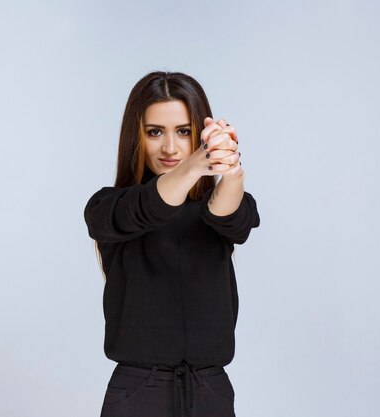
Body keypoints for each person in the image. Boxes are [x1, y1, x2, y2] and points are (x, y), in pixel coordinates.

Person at [83, 71, 261, 417]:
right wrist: (194, 166)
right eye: (154, 132)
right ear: (136, 137)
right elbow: (148, 207)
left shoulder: (216, 207)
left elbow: (232, 217)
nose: (170, 147)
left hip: (209, 389)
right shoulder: (109, 207)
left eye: (183, 132)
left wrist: (231, 168)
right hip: (138, 391)